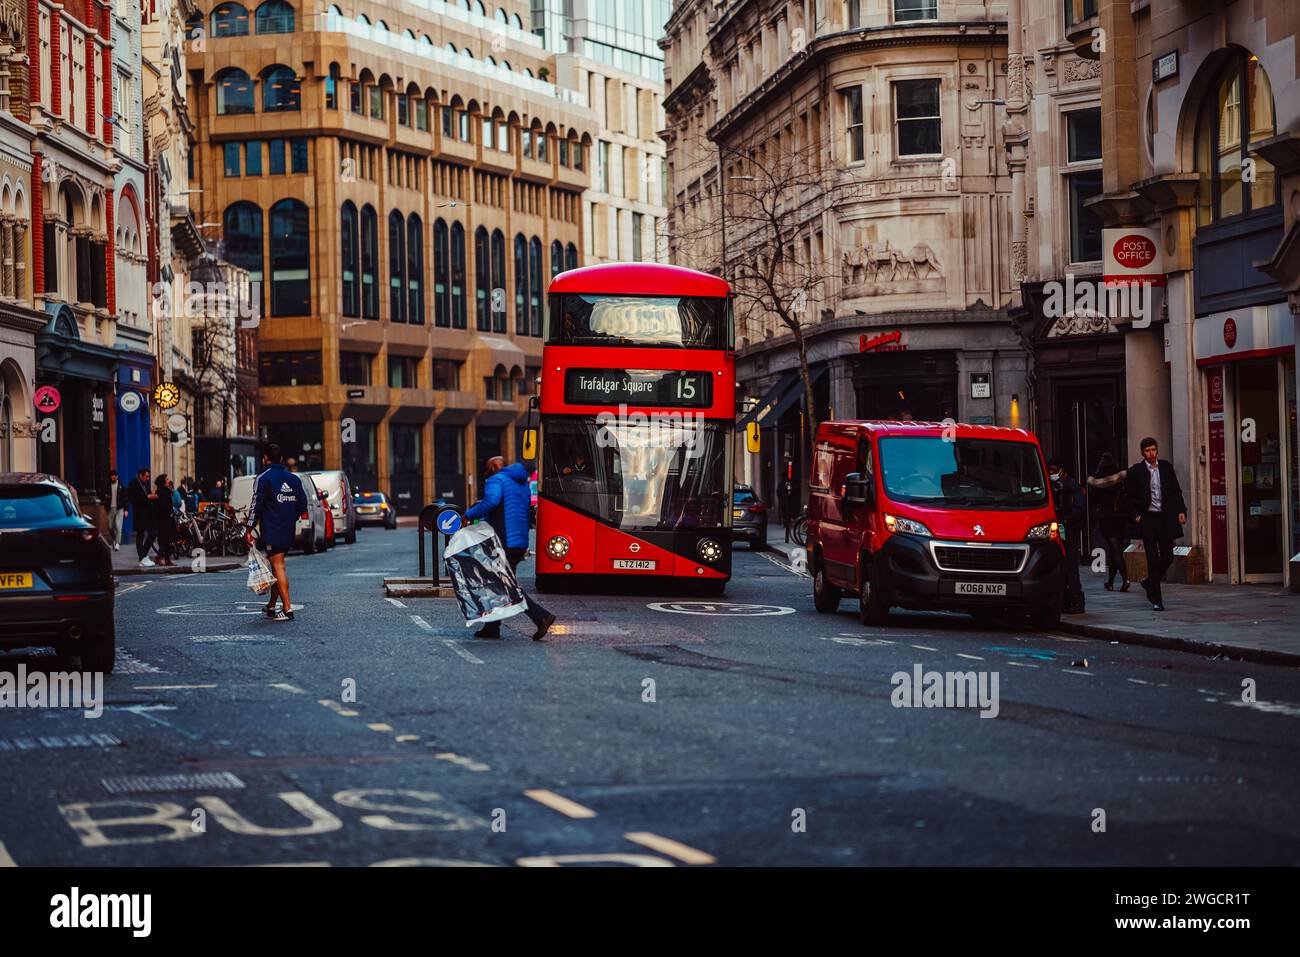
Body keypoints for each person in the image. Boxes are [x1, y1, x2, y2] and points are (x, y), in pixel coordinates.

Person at [463, 456, 556, 640]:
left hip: (503, 540)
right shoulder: (521, 482)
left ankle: (541, 617)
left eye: (489, 468)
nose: (487, 472)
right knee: (498, 583)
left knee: (506, 585)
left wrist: (468, 514)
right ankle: (492, 628)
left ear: (495, 468)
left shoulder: (496, 480)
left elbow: (491, 501)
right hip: (519, 541)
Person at [246, 444, 308, 622]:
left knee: (278, 565)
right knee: (276, 565)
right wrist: (289, 517)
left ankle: (287, 608)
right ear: (281, 459)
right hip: (288, 529)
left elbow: (255, 506)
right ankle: (272, 606)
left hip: (272, 529)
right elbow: (302, 506)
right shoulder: (294, 479)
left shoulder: (263, 478)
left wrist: (248, 528)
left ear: (265, 458)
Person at [1124, 437, 1186, 611]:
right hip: (1148, 519)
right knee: (1152, 558)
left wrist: (1181, 511)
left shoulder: (1166, 467)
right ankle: (1157, 600)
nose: (1151, 454)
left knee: (1167, 556)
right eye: (1147, 451)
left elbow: (1176, 491)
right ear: (1142, 453)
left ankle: (1149, 582)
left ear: (1157, 450)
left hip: (1165, 518)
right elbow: (1128, 497)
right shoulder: (1136, 471)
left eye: (1153, 450)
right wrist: (1136, 515)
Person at [1087, 453, 1130, 592]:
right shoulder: (1121, 478)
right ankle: (1110, 582)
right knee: (1114, 550)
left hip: (1107, 517)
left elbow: (1092, 501)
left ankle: (1125, 580)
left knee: (1115, 550)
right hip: (1120, 517)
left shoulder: (1097, 481)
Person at [1048, 460, 1086, 614]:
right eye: (1049, 470)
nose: (1051, 473)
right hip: (1058, 529)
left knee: (1070, 566)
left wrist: (1064, 520)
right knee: (1061, 566)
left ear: (1062, 470)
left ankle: (1076, 601)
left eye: (1053, 470)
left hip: (1069, 530)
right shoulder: (1054, 486)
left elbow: (1078, 509)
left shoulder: (1072, 486)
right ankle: (1065, 600)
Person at [126, 466, 158, 567]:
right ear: (141, 475)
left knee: (153, 533)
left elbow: (148, 495)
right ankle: (142, 558)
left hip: (148, 513)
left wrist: (152, 497)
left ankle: (143, 555)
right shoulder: (133, 484)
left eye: (148, 477)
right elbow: (132, 499)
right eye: (146, 476)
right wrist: (147, 497)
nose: (148, 479)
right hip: (139, 514)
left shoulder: (145, 484)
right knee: (140, 535)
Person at [153, 474, 177, 567]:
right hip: (164, 520)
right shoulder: (162, 492)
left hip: (167, 519)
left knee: (169, 541)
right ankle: (160, 557)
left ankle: (166, 559)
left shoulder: (165, 491)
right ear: (163, 482)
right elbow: (163, 507)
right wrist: (169, 513)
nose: (168, 480)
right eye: (166, 479)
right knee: (164, 540)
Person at [104, 469, 126, 551]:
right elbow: (103, 495)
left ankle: (117, 543)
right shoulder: (107, 486)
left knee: (118, 526)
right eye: (112, 476)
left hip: (119, 508)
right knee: (110, 526)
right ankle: (114, 539)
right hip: (110, 508)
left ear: (117, 477)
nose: (113, 477)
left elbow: (125, 498)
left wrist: (126, 510)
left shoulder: (121, 486)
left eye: (115, 476)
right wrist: (106, 497)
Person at [778, 477, 796, 543]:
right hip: (787, 501)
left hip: (783, 501)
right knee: (787, 513)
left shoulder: (781, 483)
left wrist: (780, 498)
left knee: (784, 513)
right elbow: (791, 491)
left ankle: (786, 524)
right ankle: (787, 524)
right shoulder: (788, 483)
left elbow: (778, 492)